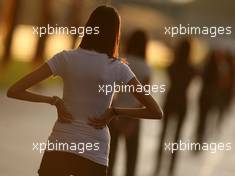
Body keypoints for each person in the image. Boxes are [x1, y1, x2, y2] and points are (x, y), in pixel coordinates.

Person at [6, 6, 163, 176]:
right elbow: (156, 112)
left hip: (60, 144)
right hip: (94, 151)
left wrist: (54, 101)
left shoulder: (65, 58)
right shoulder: (118, 68)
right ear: (114, 35)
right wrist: (115, 112)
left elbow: (14, 90)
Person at [108, 30, 151, 176]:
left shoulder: (121, 62)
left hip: (114, 113)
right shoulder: (146, 67)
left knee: (109, 158)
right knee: (131, 160)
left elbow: (110, 90)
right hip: (134, 114)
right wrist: (132, 122)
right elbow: (144, 99)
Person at [155, 38, 195, 176]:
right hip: (183, 103)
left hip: (170, 100)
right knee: (177, 138)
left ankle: (158, 165)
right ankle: (171, 168)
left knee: (163, 135)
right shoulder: (192, 69)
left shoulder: (172, 66)